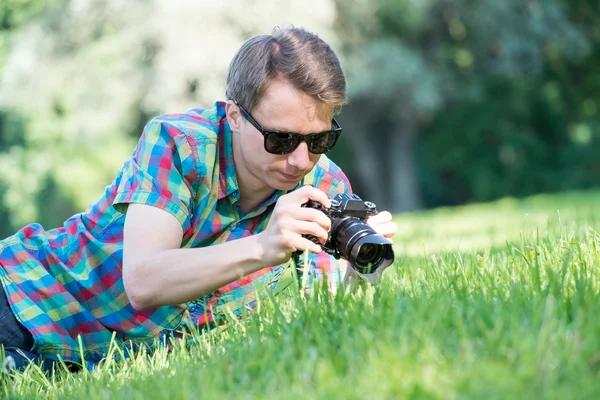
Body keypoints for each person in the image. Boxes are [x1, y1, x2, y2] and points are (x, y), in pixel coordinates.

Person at [0, 26, 397, 373]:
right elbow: (143, 280)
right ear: (234, 116)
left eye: (319, 140)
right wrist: (262, 246)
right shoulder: (179, 145)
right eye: (281, 139)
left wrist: (362, 273)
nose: (300, 160)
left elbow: (328, 327)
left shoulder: (322, 185)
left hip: (86, 361)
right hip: (27, 301)